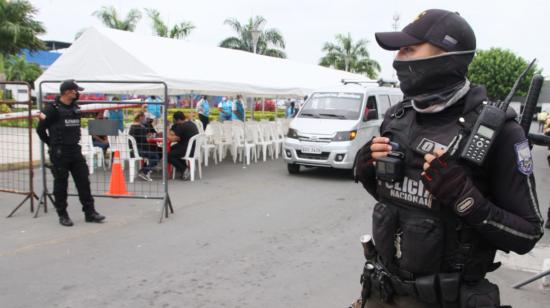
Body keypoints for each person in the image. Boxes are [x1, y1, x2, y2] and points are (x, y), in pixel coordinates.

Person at [352, 9, 543, 308]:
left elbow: (528, 233)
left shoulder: (501, 132)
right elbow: (398, 200)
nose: (398, 59)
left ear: (447, 56)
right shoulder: (397, 116)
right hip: (383, 292)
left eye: (409, 49)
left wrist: (465, 199)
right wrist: (365, 171)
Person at [36, 80, 106, 227]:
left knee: (83, 181)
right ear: (67, 92)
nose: (77, 93)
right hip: (60, 152)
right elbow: (40, 129)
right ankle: (63, 215)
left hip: (75, 149)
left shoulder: (75, 107)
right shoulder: (52, 109)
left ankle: (90, 212)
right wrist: (51, 143)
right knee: (61, 184)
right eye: (75, 91)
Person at [128, 111, 160, 181]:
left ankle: (144, 169)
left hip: (132, 150)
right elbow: (144, 142)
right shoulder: (140, 127)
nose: (145, 118)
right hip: (138, 150)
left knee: (155, 150)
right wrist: (149, 138)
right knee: (156, 155)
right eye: (144, 117)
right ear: (140, 117)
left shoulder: (132, 126)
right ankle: (144, 171)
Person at [168, 111, 199, 180]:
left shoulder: (183, 126)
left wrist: (166, 131)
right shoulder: (191, 123)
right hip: (193, 148)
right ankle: (185, 168)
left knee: (168, 155)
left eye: (174, 120)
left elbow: (172, 139)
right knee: (171, 148)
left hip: (188, 149)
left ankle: (184, 169)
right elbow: (178, 137)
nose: (174, 122)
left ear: (178, 120)